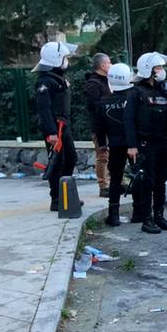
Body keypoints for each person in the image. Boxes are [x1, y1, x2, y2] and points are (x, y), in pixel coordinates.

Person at [124, 52, 167, 234]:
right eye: (158, 68)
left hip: (163, 141)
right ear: (148, 70)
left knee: (161, 181)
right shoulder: (137, 92)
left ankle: (159, 216)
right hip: (146, 143)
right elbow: (129, 120)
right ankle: (146, 219)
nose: (162, 71)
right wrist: (132, 145)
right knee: (148, 181)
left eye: (162, 67)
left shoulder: (165, 91)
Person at [34, 41, 79, 212]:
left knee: (70, 158)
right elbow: (44, 109)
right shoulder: (45, 81)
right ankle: (56, 198)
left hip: (63, 125)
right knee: (57, 163)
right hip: (55, 128)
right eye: (65, 57)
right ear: (56, 59)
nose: (67, 60)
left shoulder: (58, 78)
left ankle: (65, 194)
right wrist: (52, 132)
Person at [94, 63, 134, 227]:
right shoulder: (134, 98)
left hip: (116, 144)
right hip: (134, 145)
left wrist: (102, 144)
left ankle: (114, 214)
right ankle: (140, 211)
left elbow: (99, 126)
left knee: (115, 179)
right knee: (138, 176)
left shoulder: (103, 102)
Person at [84, 53, 112, 198]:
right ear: (102, 66)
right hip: (100, 126)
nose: (111, 65)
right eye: (109, 63)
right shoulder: (93, 84)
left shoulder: (109, 81)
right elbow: (93, 106)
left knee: (113, 154)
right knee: (103, 155)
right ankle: (103, 185)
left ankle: (116, 181)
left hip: (112, 125)